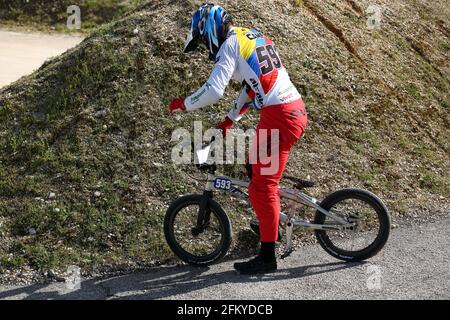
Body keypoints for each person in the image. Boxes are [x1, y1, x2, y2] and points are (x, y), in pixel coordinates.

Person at [169, 4, 308, 274]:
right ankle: (270, 221)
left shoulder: (229, 46)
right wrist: (230, 120)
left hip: (281, 116)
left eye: (201, 40)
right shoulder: (247, 35)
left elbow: (213, 90)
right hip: (288, 109)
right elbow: (251, 86)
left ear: (208, 30)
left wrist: (183, 104)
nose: (204, 48)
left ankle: (267, 256)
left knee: (261, 187)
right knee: (253, 167)